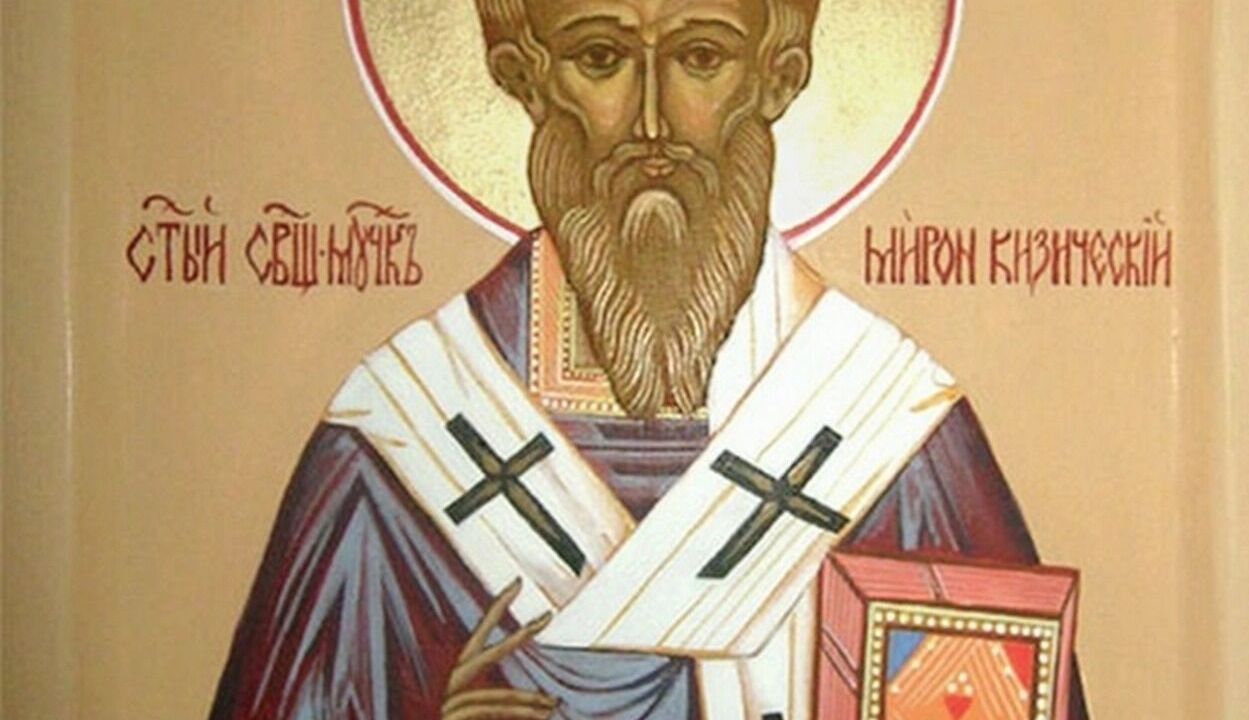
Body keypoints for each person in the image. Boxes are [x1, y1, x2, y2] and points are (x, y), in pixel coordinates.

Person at [210, 1, 1089, 718]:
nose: (654, 123)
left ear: (779, 75)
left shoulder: (891, 430)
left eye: (702, 57)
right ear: (521, 75)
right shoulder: (397, 439)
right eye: (600, 58)